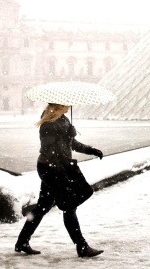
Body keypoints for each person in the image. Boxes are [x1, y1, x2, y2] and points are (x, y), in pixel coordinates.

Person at [15, 103, 104, 258]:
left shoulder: (63, 119)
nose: (69, 107)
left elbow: (72, 145)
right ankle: (81, 246)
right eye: (66, 105)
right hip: (52, 168)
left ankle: (22, 241)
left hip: (57, 167)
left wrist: (91, 150)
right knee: (69, 206)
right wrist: (64, 137)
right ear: (58, 105)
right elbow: (47, 149)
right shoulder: (48, 123)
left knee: (43, 206)